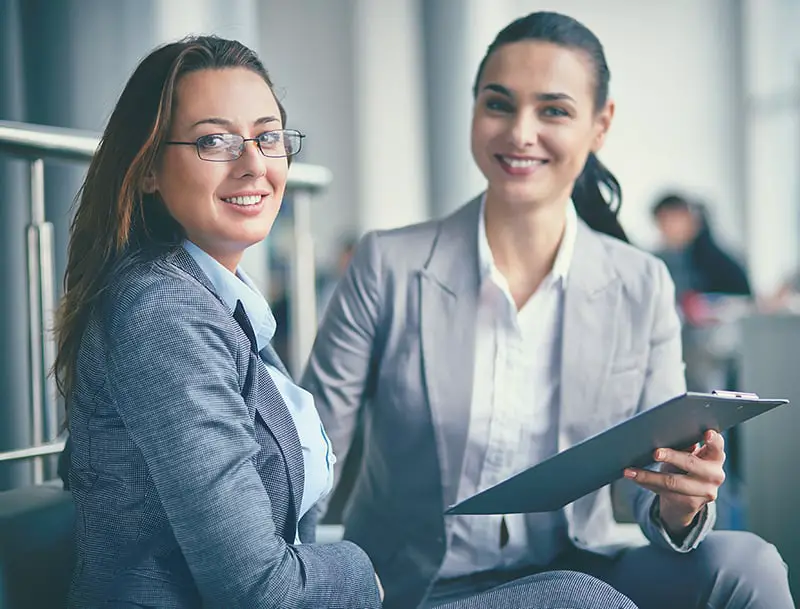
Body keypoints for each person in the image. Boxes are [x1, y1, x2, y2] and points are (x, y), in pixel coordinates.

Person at [54, 34, 629, 609]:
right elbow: (259, 591)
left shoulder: (218, 301)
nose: (254, 163)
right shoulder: (161, 311)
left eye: (267, 137)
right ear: (149, 168)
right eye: (215, 141)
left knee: (581, 594)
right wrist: (360, 570)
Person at [302, 11, 794, 609]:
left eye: (554, 110)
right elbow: (311, 452)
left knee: (748, 566)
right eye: (499, 104)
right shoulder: (389, 264)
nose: (520, 132)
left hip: (576, 571)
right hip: (414, 588)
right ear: (475, 108)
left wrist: (680, 498)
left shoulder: (640, 283)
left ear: (600, 124)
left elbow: (653, 475)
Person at [651, 193, 751, 300]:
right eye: (663, 221)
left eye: (673, 219)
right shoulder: (658, 261)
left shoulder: (716, 261)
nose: (668, 227)